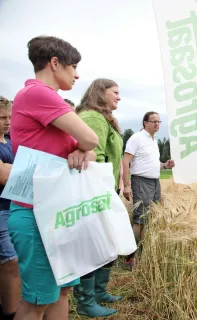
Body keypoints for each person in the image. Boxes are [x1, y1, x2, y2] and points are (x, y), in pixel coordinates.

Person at [8, 36, 98, 320]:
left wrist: (84, 152)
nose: (77, 74)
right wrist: (86, 146)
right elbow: (90, 138)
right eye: (73, 67)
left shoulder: (52, 105)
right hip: (36, 212)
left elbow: (88, 150)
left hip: (58, 210)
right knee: (36, 302)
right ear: (54, 63)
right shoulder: (38, 94)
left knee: (61, 291)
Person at [73, 79, 123, 317]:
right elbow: (96, 158)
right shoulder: (93, 117)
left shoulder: (103, 118)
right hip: (96, 192)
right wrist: (105, 194)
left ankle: (99, 292)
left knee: (106, 244)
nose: (119, 97)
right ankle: (86, 301)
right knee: (94, 246)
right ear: (100, 93)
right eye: (115, 92)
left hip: (104, 189)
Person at [122, 112, 175, 268]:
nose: (157, 124)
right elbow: (126, 162)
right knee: (140, 219)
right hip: (141, 181)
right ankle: (130, 258)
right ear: (145, 123)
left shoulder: (153, 140)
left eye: (159, 121)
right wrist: (126, 185)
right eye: (154, 121)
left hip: (154, 182)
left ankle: (142, 254)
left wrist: (164, 165)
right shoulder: (136, 138)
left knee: (150, 218)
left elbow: (151, 163)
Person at [0, 97, 20, 320]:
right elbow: (4, 176)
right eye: (2, 117)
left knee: (12, 264)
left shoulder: (11, 141)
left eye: (10, 117)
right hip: (0, 209)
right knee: (10, 262)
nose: (8, 122)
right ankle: (10, 313)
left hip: (13, 207)